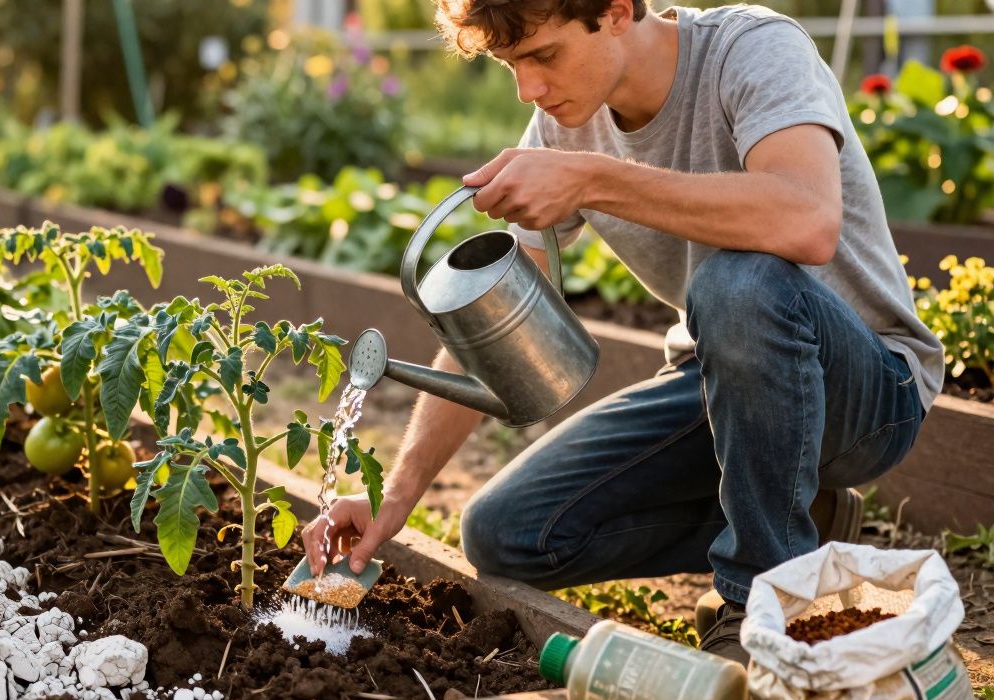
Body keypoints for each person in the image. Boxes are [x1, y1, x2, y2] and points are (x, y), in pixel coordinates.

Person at [301, 0, 943, 665]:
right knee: (506, 533)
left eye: (544, 56)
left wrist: (594, 179)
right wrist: (393, 496)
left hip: (868, 391)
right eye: (510, 65)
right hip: (720, 385)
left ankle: (760, 598)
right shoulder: (560, 129)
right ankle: (804, 516)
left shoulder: (753, 48)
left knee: (738, 283)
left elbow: (806, 219)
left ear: (614, 11)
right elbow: (490, 330)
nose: (529, 90)